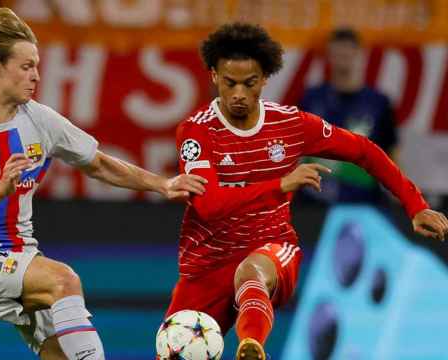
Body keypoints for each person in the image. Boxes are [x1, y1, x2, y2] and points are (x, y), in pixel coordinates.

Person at [0, 8, 206, 360]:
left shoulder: (40, 120)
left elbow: (98, 164)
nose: (36, 75)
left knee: (59, 351)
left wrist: (162, 184)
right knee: (63, 281)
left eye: (37, 65)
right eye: (26, 66)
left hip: (22, 254)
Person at [165, 23, 448, 360]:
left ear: (266, 78)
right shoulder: (197, 133)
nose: (239, 93)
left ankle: (251, 346)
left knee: (251, 272)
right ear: (213, 76)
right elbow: (209, 206)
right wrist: (278, 186)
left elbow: (364, 151)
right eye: (230, 83)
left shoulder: (291, 125)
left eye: (249, 83)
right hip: (206, 264)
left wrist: (415, 205)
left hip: (270, 246)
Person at [299, 28, 399, 207]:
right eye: (338, 51)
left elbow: (391, 152)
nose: (343, 56)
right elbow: (294, 150)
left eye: (348, 50)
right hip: (314, 204)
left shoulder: (378, 102)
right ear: (329, 55)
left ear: (359, 53)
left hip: (364, 203)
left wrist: (400, 193)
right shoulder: (311, 99)